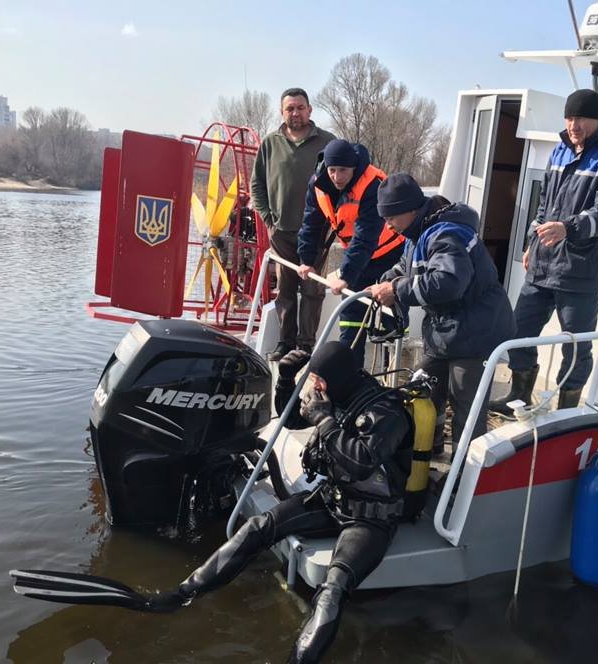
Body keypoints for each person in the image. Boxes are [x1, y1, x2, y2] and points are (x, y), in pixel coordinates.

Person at [139, 342, 412, 663]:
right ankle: (181, 595)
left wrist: (325, 420)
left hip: (371, 518)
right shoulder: (337, 396)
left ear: (335, 379)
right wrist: (285, 379)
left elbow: (360, 463)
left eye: (318, 380)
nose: (315, 386)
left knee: (334, 587)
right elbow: (292, 419)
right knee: (259, 527)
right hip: (333, 500)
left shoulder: (387, 412)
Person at [489, 89, 598, 413]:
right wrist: (532, 242)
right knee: (519, 330)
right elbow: (543, 205)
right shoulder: (559, 151)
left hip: (580, 270)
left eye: (581, 118)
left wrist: (568, 228)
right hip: (543, 264)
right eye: (569, 117)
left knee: (575, 345)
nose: (573, 125)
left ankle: (566, 410)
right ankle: (519, 395)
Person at [368, 174, 514, 455]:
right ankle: (428, 451)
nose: (388, 225)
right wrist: (383, 282)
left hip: (476, 332)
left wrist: (396, 290)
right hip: (446, 331)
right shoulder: (417, 234)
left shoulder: (446, 234)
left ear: (410, 210)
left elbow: (449, 283)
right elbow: (406, 268)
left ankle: (465, 469)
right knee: (423, 387)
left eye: (391, 217)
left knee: (466, 403)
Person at [297, 139, 404, 364]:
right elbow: (310, 223)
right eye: (332, 170)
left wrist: (346, 275)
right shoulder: (317, 184)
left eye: (343, 170)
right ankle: (350, 372)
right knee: (351, 315)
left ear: (354, 168)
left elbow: (366, 237)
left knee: (391, 317)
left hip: (391, 253)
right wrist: (306, 260)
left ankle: (393, 366)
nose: (337, 177)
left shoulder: (373, 185)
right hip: (357, 253)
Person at [251, 88, 336, 361]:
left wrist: (333, 220)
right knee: (285, 289)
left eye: (300, 107)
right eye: (290, 108)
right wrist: (268, 219)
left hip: (317, 232)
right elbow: (257, 184)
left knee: (312, 289)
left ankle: (305, 346)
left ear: (309, 110)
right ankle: (285, 343)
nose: (295, 113)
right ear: (282, 112)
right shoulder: (270, 143)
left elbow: (341, 184)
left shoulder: (328, 142)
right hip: (282, 231)